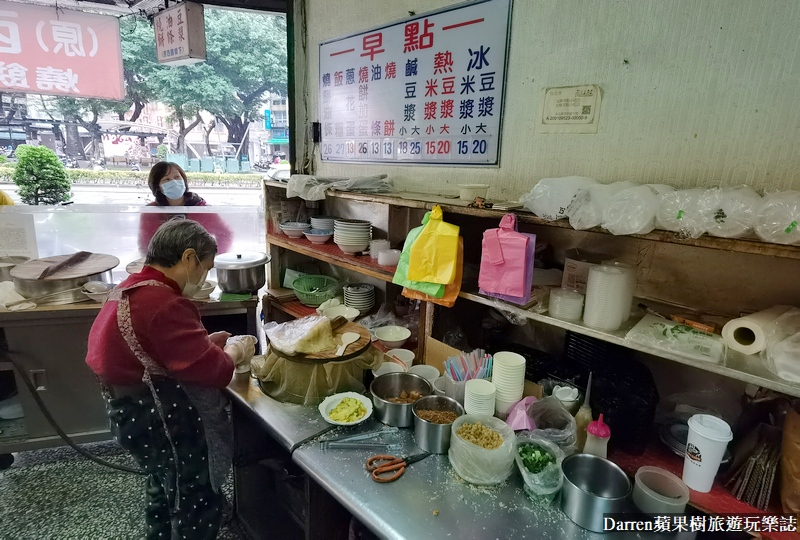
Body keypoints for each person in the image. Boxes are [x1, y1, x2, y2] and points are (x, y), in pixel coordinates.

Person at [86, 219, 253, 539]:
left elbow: (160, 349)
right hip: (155, 415)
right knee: (194, 499)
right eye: (206, 268)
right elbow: (218, 373)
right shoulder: (163, 303)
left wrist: (206, 344)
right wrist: (234, 351)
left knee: (164, 488)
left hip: (126, 410)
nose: (204, 277)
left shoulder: (129, 288)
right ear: (188, 258)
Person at [138, 161, 233, 254]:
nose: (174, 182)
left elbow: (225, 233)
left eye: (177, 177)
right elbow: (145, 245)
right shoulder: (151, 213)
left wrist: (214, 258)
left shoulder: (201, 209)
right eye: (166, 179)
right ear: (157, 186)